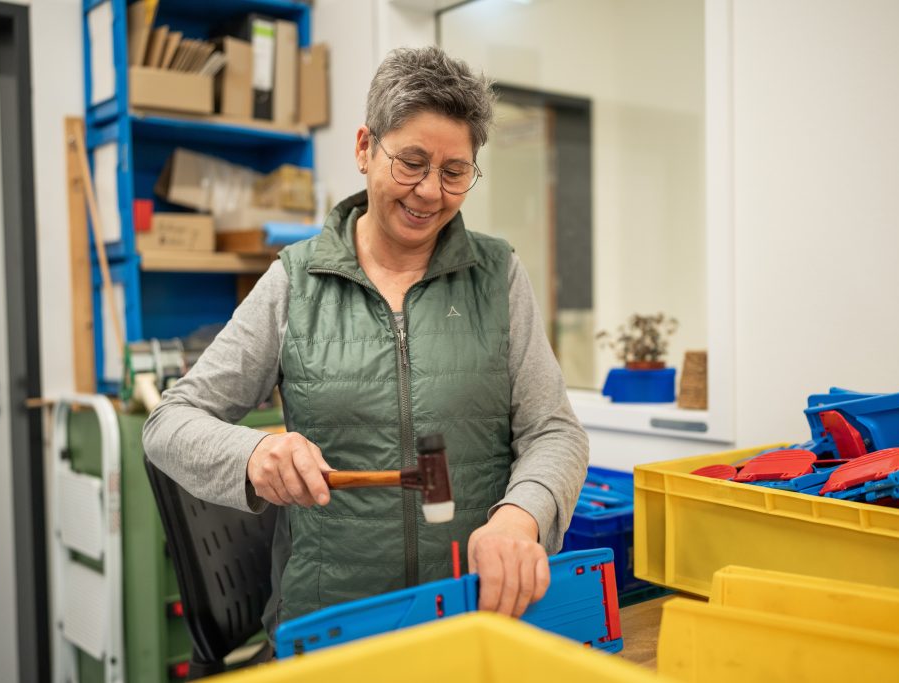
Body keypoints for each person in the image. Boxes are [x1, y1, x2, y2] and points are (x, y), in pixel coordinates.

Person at [143, 46, 589, 631]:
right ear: (364, 148)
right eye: (411, 162)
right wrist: (252, 454)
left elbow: (554, 431)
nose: (429, 191)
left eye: (454, 172)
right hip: (335, 623)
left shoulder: (497, 274)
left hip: (469, 612)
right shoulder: (296, 281)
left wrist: (520, 516)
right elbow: (168, 423)